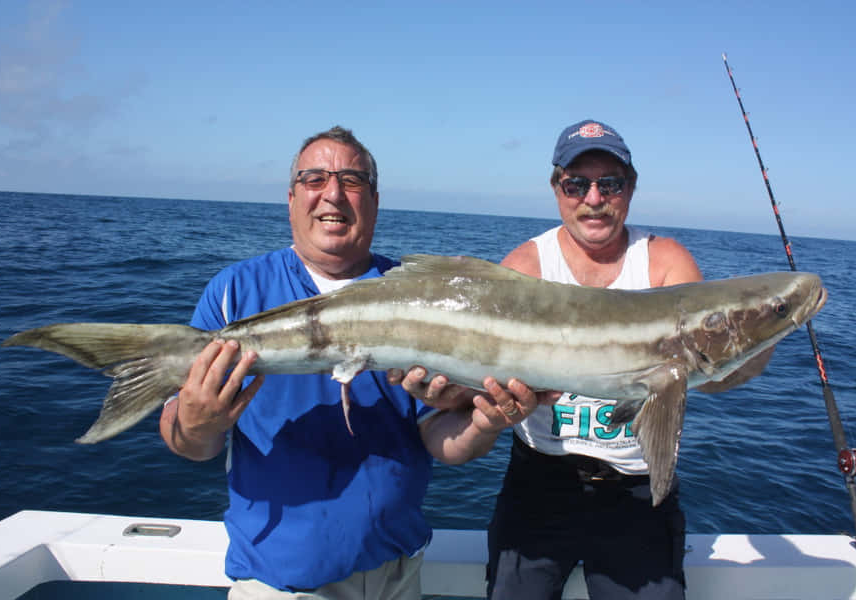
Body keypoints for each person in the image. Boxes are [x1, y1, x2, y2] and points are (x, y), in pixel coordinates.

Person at [158, 125, 543, 600]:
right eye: (314, 179)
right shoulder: (234, 293)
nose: (333, 194)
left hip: (398, 574)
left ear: (375, 200)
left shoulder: (418, 295)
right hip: (281, 585)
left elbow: (440, 442)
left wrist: (485, 423)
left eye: (352, 181)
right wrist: (196, 425)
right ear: (292, 197)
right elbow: (190, 445)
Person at [397, 119, 772, 599]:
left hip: (636, 491)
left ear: (630, 189)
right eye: (577, 184)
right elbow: (471, 397)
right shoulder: (526, 267)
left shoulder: (665, 263)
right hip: (539, 481)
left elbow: (708, 375)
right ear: (557, 188)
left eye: (609, 184)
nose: (593, 198)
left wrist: (759, 338)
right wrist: (451, 393)